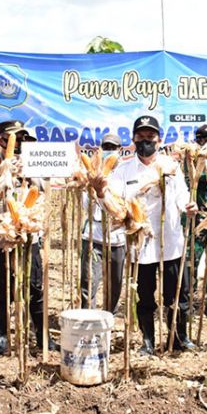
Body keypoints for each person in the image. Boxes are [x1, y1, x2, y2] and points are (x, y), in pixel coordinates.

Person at [94, 115, 198, 355]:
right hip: (140, 245)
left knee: (177, 294)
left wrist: (189, 206)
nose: (145, 141)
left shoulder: (171, 167)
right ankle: (148, 340)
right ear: (133, 140)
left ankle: (180, 336)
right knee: (144, 296)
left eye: (150, 137)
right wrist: (101, 193)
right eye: (140, 137)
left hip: (171, 241)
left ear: (159, 140)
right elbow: (113, 204)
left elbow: (182, 196)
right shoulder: (123, 170)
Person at [0, 120, 58, 355]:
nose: (17, 143)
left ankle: (42, 337)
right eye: (13, 137)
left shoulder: (30, 164)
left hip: (27, 239)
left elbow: (44, 189)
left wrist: (26, 172)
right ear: (1, 141)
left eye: (21, 138)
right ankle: (3, 339)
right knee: (1, 291)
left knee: (35, 289)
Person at [80, 133, 126, 312]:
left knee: (115, 283)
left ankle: (109, 316)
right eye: (106, 147)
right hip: (94, 236)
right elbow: (86, 205)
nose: (109, 151)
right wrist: (94, 191)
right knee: (89, 282)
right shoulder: (92, 173)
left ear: (120, 150)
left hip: (117, 238)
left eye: (113, 148)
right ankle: (88, 318)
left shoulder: (125, 173)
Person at [185, 124, 207, 317]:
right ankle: (188, 301)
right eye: (201, 140)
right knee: (192, 260)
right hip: (196, 219)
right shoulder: (189, 160)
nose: (205, 144)